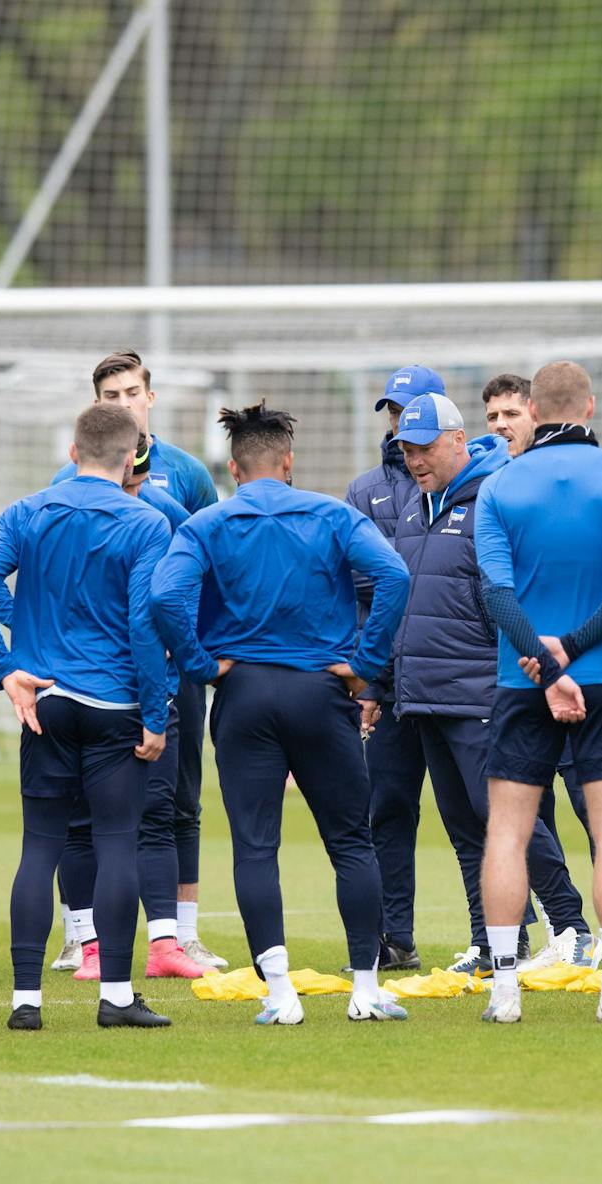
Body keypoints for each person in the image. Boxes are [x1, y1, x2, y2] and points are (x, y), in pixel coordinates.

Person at [152, 402, 411, 1026]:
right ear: (288, 463)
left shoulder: (208, 523)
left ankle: (279, 993)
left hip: (242, 696)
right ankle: (366, 988)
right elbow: (395, 576)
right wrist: (364, 664)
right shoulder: (332, 514)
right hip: (320, 692)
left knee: (255, 846)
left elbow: (164, 594)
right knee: (351, 839)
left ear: (235, 469)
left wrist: (199, 665)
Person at [0, 403, 176, 1031]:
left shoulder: (30, 511)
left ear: (72, 448)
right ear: (136, 453)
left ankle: (26, 1003)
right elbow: (145, 624)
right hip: (115, 704)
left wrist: (7, 667)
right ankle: (114, 996)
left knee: (40, 847)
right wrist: (157, 710)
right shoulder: (148, 523)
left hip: (46, 702)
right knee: (116, 845)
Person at [379, 390, 590, 975]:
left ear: (455, 441)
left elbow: (509, 598)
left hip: (479, 690)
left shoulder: (493, 498)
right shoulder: (417, 504)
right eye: (405, 450)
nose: (414, 460)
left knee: (507, 817)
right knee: (464, 826)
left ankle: (572, 927)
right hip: (423, 693)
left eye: (423, 448)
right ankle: (494, 941)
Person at [475, 361, 602, 1024]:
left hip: (521, 678)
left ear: (533, 409)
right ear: (590, 405)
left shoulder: (501, 486)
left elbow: (496, 593)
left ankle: (503, 991)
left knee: (507, 832)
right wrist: (572, 653)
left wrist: (546, 667)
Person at [0, 435, 208, 982]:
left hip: (58, 695)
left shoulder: (42, 509)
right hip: (123, 696)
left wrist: (13, 658)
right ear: (124, 460)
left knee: (59, 839)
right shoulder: (124, 517)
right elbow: (151, 615)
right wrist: (168, 688)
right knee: (108, 834)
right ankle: (112, 980)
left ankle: (36, 995)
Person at [73, 350, 224, 971]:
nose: (123, 403)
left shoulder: (185, 472)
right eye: (110, 396)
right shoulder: (74, 478)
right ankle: (80, 932)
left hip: (172, 654)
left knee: (179, 798)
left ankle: (181, 932)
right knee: (83, 804)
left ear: (150, 398)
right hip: (101, 661)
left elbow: (212, 553)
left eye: (132, 392)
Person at [343, 364, 439, 970]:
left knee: (483, 812)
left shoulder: (468, 482)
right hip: (390, 680)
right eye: (394, 410)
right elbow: (359, 590)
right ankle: (394, 937)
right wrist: (367, 678)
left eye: (411, 408)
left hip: (455, 676)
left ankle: (517, 933)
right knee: (388, 806)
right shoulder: (364, 491)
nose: (400, 421)